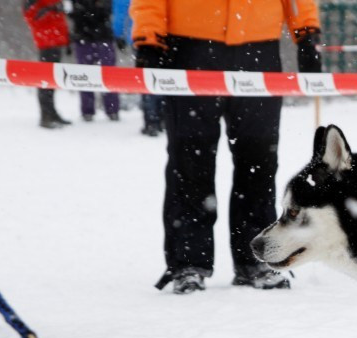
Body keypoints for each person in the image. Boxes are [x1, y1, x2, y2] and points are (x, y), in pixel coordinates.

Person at [130, 0, 322, 294]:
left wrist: (306, 32)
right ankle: (188, 263)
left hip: (259, 49)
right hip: (189, 48)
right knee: (189, 161)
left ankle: (256, 260)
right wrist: (149, 37)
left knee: (259, 161)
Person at [112, 0, 163, 135]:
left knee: (148, 81)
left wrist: (118, 34)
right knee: (165, 80)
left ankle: (151, 120)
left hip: (140, 37)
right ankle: (161, 117)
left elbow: (121, 10)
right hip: (164, 37)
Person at [23, 0, 71, 129]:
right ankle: (46, 115)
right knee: (45, 81)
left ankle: (52, 112)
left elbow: (60, 19)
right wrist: (51, 10)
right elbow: (31, 17)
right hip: (46, 42)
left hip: (56, 41)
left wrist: (66, 39)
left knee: (53, 81)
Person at [70, 0, 120, 122]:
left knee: (109, 75)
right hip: (83, 36)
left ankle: (112, 109)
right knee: (84, 76)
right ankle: (87, 111)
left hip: (103, 35)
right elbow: (71, 12)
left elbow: (111, 8)